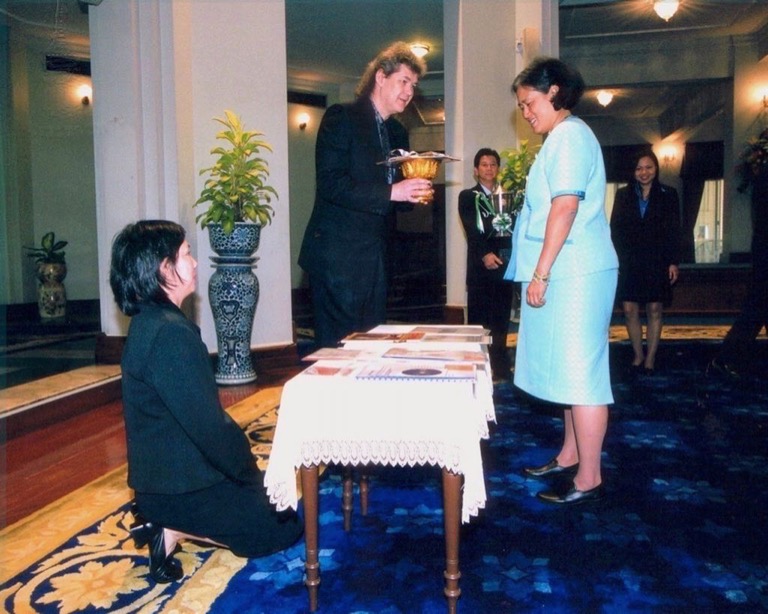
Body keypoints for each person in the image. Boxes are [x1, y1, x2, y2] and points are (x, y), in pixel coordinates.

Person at [109, 220, 302, 584]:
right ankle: (173, 529)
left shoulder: (149, 322)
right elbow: (210, 428)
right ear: (163, 269)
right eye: (185, 254)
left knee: (270, 500)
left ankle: (168, 520)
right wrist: (248, 473)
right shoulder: (170, 335)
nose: (195, 263)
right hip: (180, 492)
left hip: (164, 485)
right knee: (284, 523)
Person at [504, 57, 618, 505]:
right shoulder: (560, 138)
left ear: (553, 92)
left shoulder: (570, 137)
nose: (525, 112)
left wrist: (541, 272)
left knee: (584, 376)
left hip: (576, 270)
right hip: (569, 268)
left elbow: (565, 208)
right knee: (569, 373)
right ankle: (570, 454)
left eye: (529, 102)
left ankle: (589, 475)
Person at [298, 41, 433, 349]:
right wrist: (392, 192)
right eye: (403, 81)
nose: (409, 91)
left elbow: (392, 202)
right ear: (380, 78)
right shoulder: (341, 117)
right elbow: (331, 184)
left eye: (413, 85)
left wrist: (413, 194)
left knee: (371, 346)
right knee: (337, 350)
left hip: (375, 260)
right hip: (336, 258)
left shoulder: (397, 132)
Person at [610, 150, 681, 375]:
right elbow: (615, 230)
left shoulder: (669, 194)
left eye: (648, 167)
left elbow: (674, 231)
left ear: (656, 168)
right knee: (630, 309)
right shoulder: (622, 195)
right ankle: (637, 354)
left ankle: (650, 358)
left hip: (657, 260)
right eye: (639, 168)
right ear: (633, 172)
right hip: (629, 260)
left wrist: (673, 261)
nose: (644, 172)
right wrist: (616, 261)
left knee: (654, 308)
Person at [707, 161, 768, 380]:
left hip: (762, 256)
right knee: (755, 312)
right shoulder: (765, 176)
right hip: (765, 256)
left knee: (756, 311)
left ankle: (725, 360)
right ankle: (725, 360)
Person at [458, 147, 515, 380]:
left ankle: (501, 367)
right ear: (476, 170)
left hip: (504, 265)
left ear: (498, 169)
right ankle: (478, 367)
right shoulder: (468, 196)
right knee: (480, 321)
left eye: (493, 164)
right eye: (484, 164)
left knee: (501, 319)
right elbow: (472, 229)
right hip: (481, 268)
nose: (489, 168)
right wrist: (485, 255)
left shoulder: (507, 197)